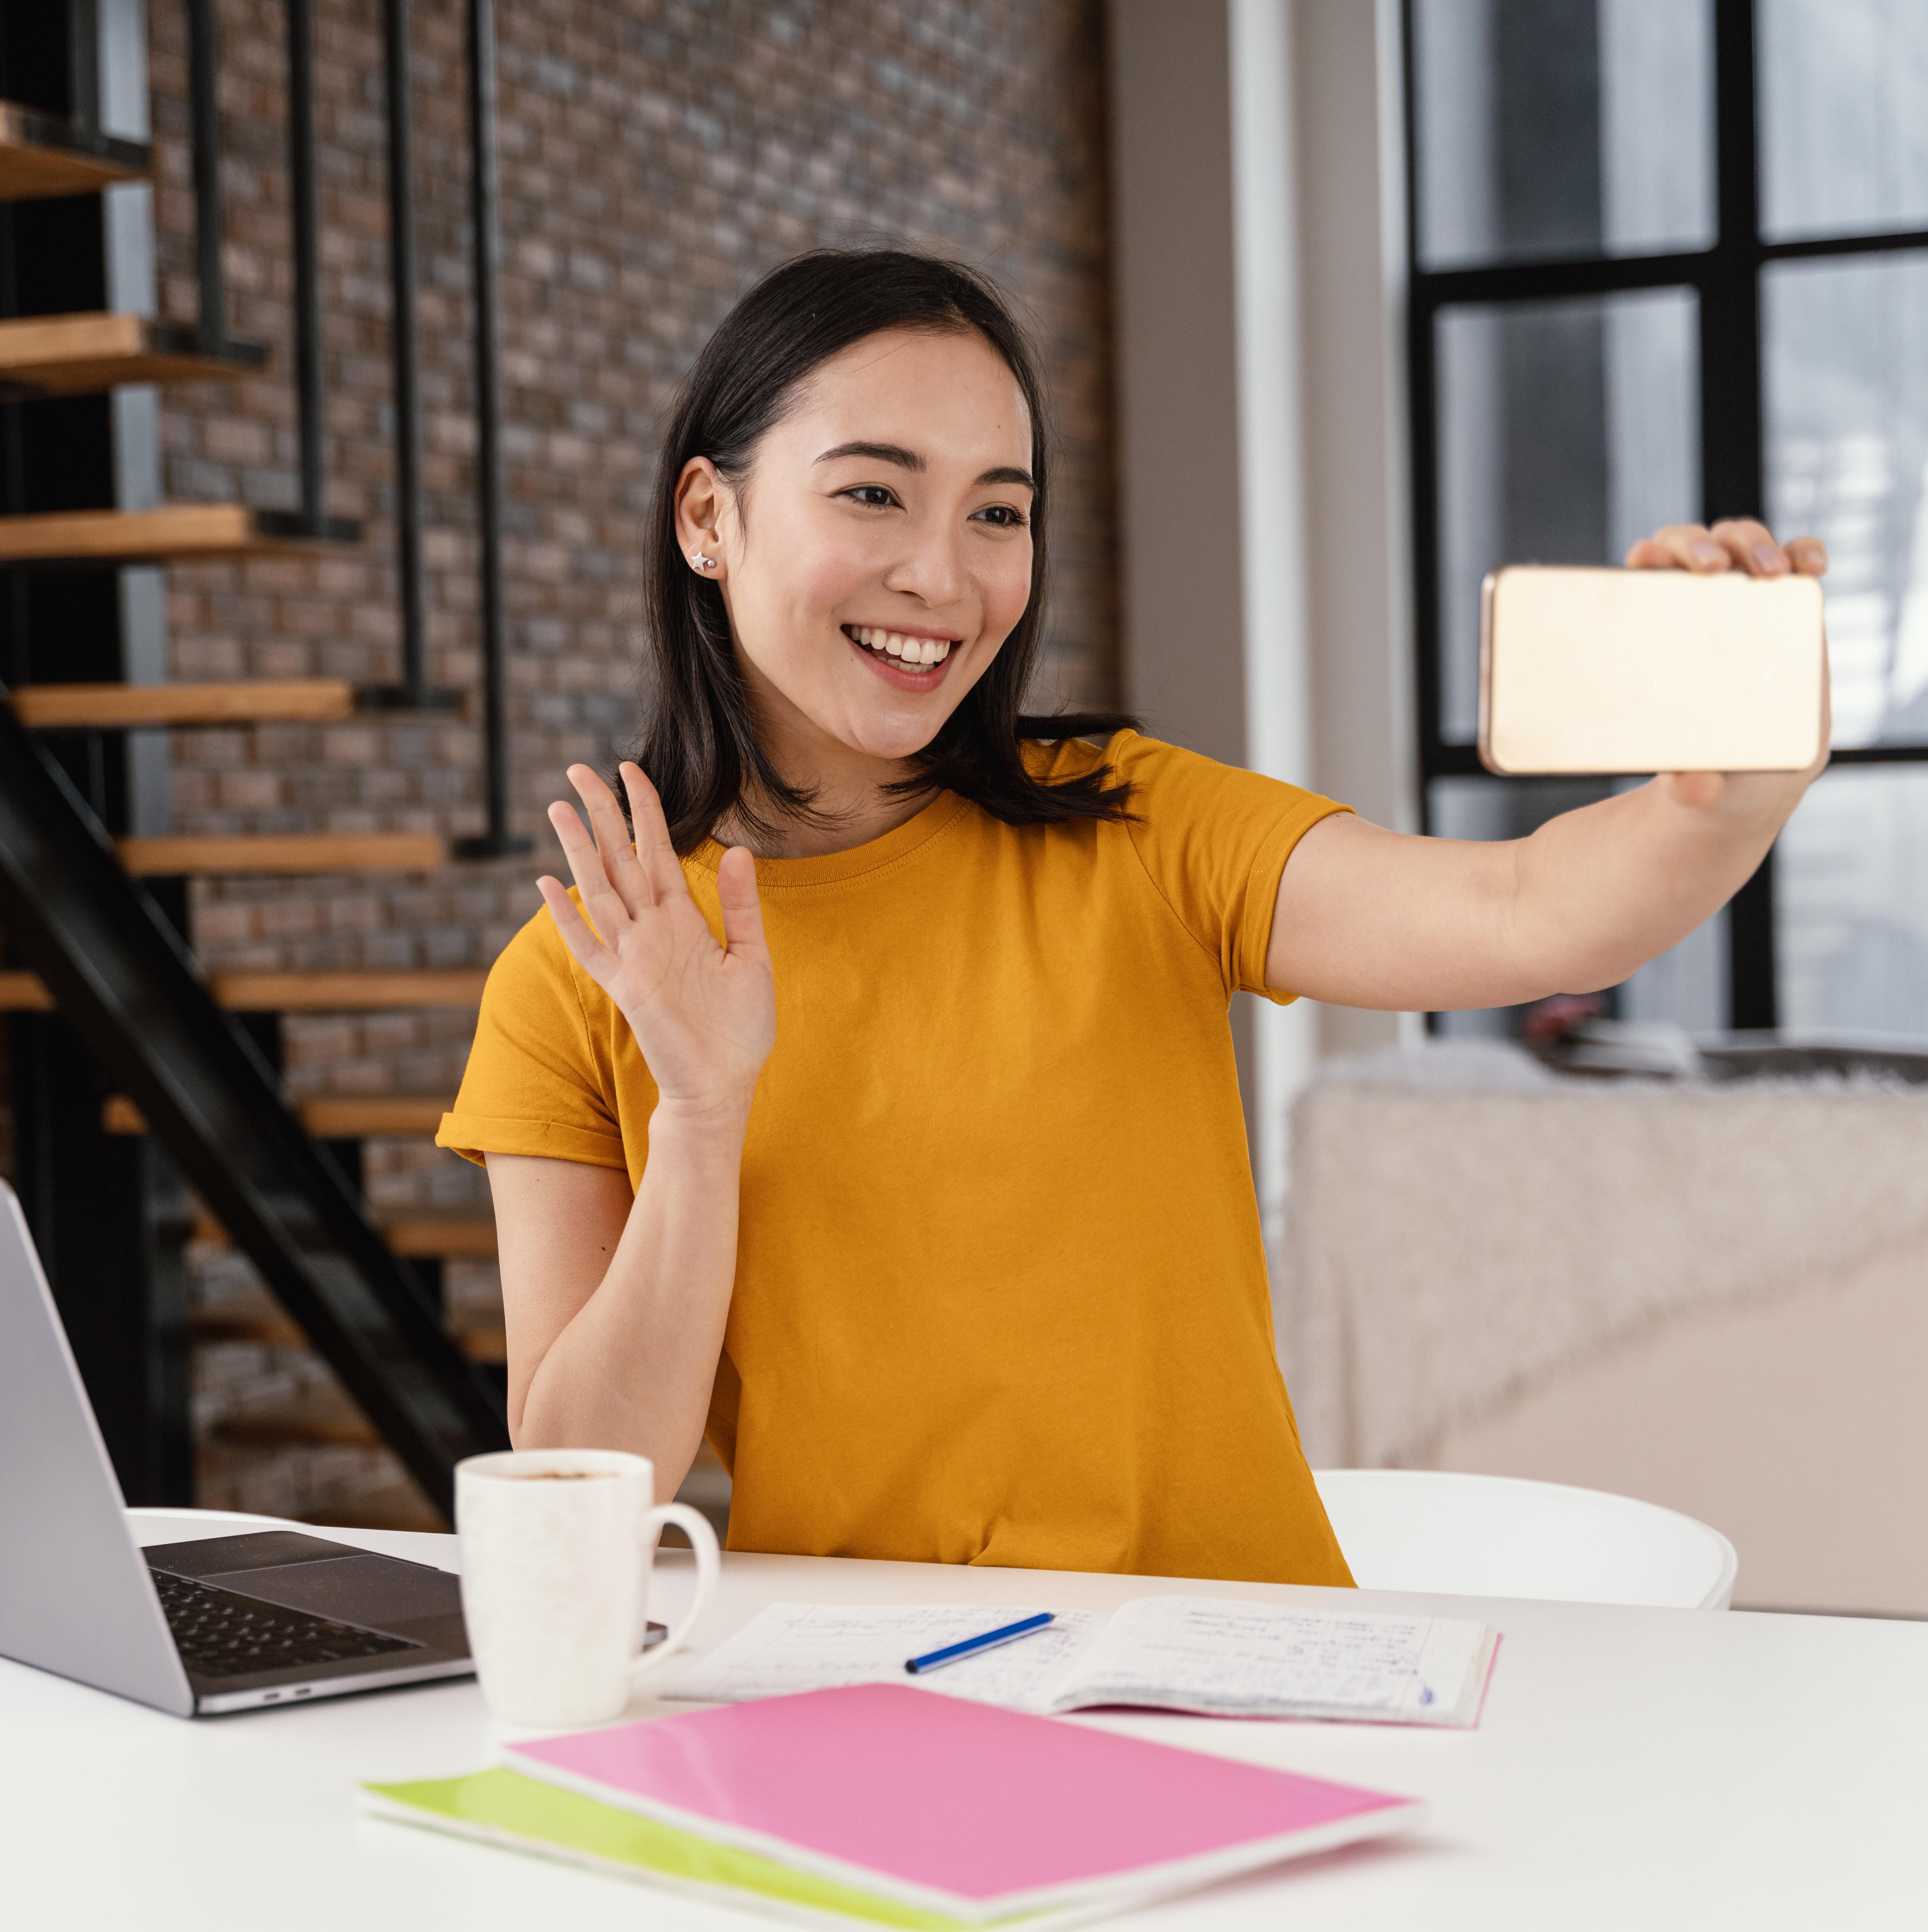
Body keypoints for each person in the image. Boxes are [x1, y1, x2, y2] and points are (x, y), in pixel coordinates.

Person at [437, 249, 1827, 1585]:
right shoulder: (582, 979)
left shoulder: (1134, 829)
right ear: (707, 519)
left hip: (1231, 1666)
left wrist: (1724, 800)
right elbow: (582, 1490)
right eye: (872, 495)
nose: (942, 575)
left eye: (997, 511)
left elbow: (1529, 912)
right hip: (866, 1690)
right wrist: (697, 1107)